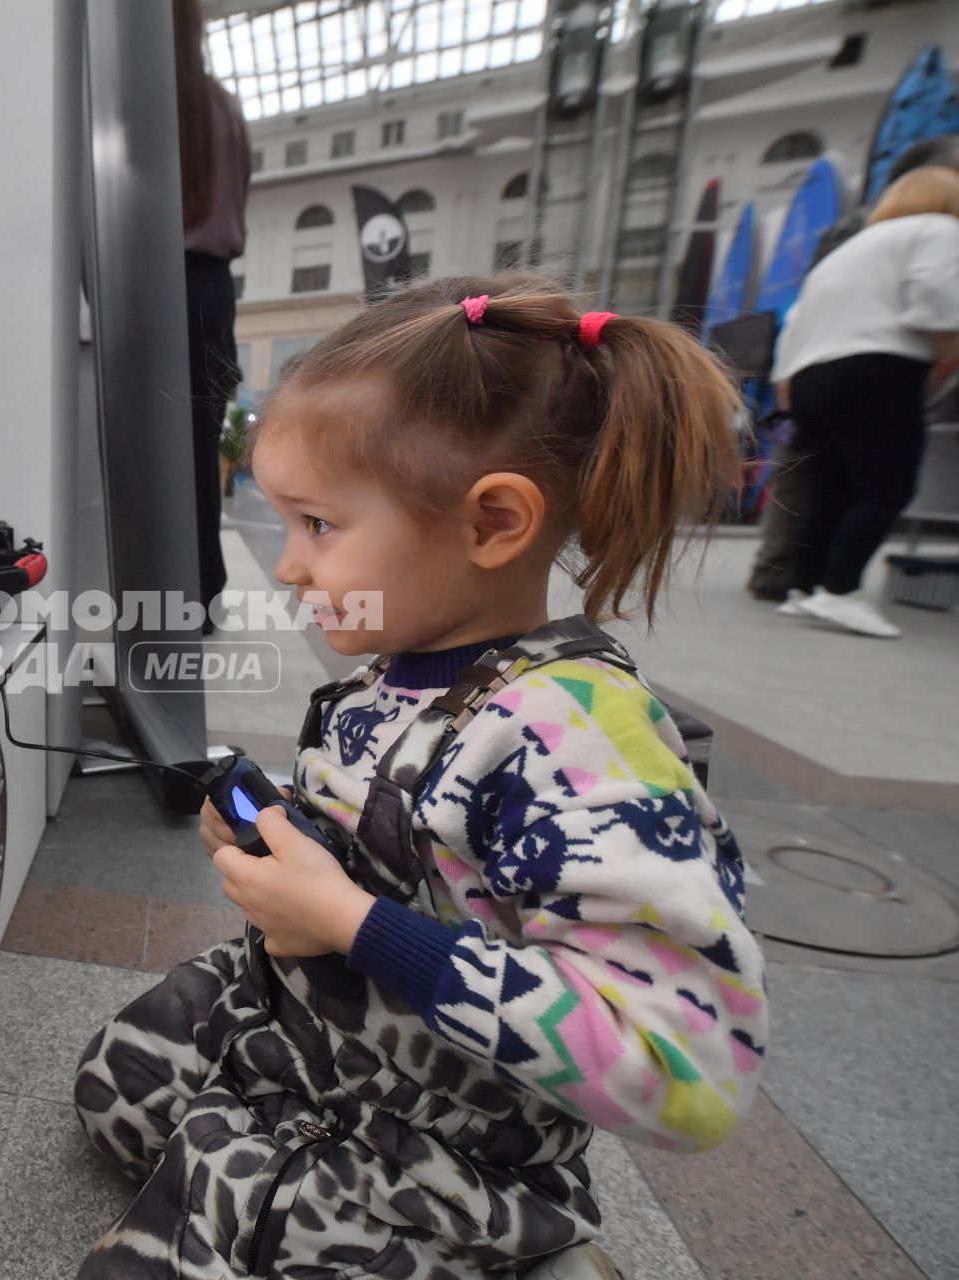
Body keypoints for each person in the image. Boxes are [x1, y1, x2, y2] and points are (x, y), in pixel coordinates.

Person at [73, 275, 766, 1279]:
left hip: (445, 1122)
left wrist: (358, 925)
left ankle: (531, 1250)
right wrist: (285, 843)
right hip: (304, 1026)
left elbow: (688, 1068)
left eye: (317, 525)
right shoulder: (399, 664)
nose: (288, 569)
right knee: (110, 1089)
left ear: (492, 523)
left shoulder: (580, 742)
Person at [766, 166, 959, 636]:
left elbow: (796, 324)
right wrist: (948, 349)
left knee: (826, 488)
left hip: (812, 374)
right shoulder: (939, 230)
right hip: (880, 366)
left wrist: (787, 384)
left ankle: (804, 587)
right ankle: (840, 590)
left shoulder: (846, 252)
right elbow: (936, 294)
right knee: (885, 488)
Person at [176, 0, 249, 617]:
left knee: (145, 448)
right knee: (199, 446)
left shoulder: (149, 102)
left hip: (158, 284)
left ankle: (168, 585)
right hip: (212, 288)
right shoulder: (220, 103)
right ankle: (203, 585)